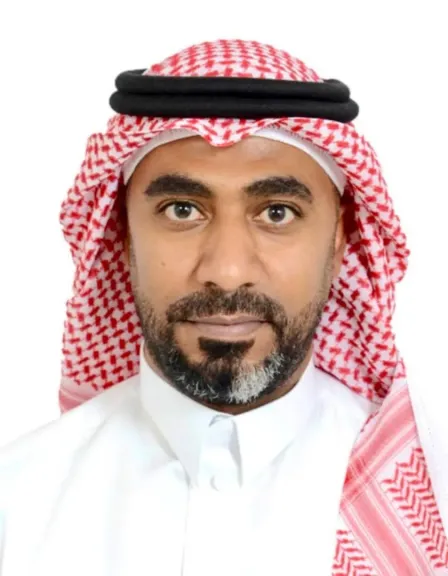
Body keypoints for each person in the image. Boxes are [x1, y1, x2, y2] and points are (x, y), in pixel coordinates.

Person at [0, 39, 447, 576]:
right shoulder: (18, 501)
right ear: (122, 233)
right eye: (181, 210)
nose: (228, 270)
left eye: (277, 212)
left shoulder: (433, 494)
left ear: (338, 240)